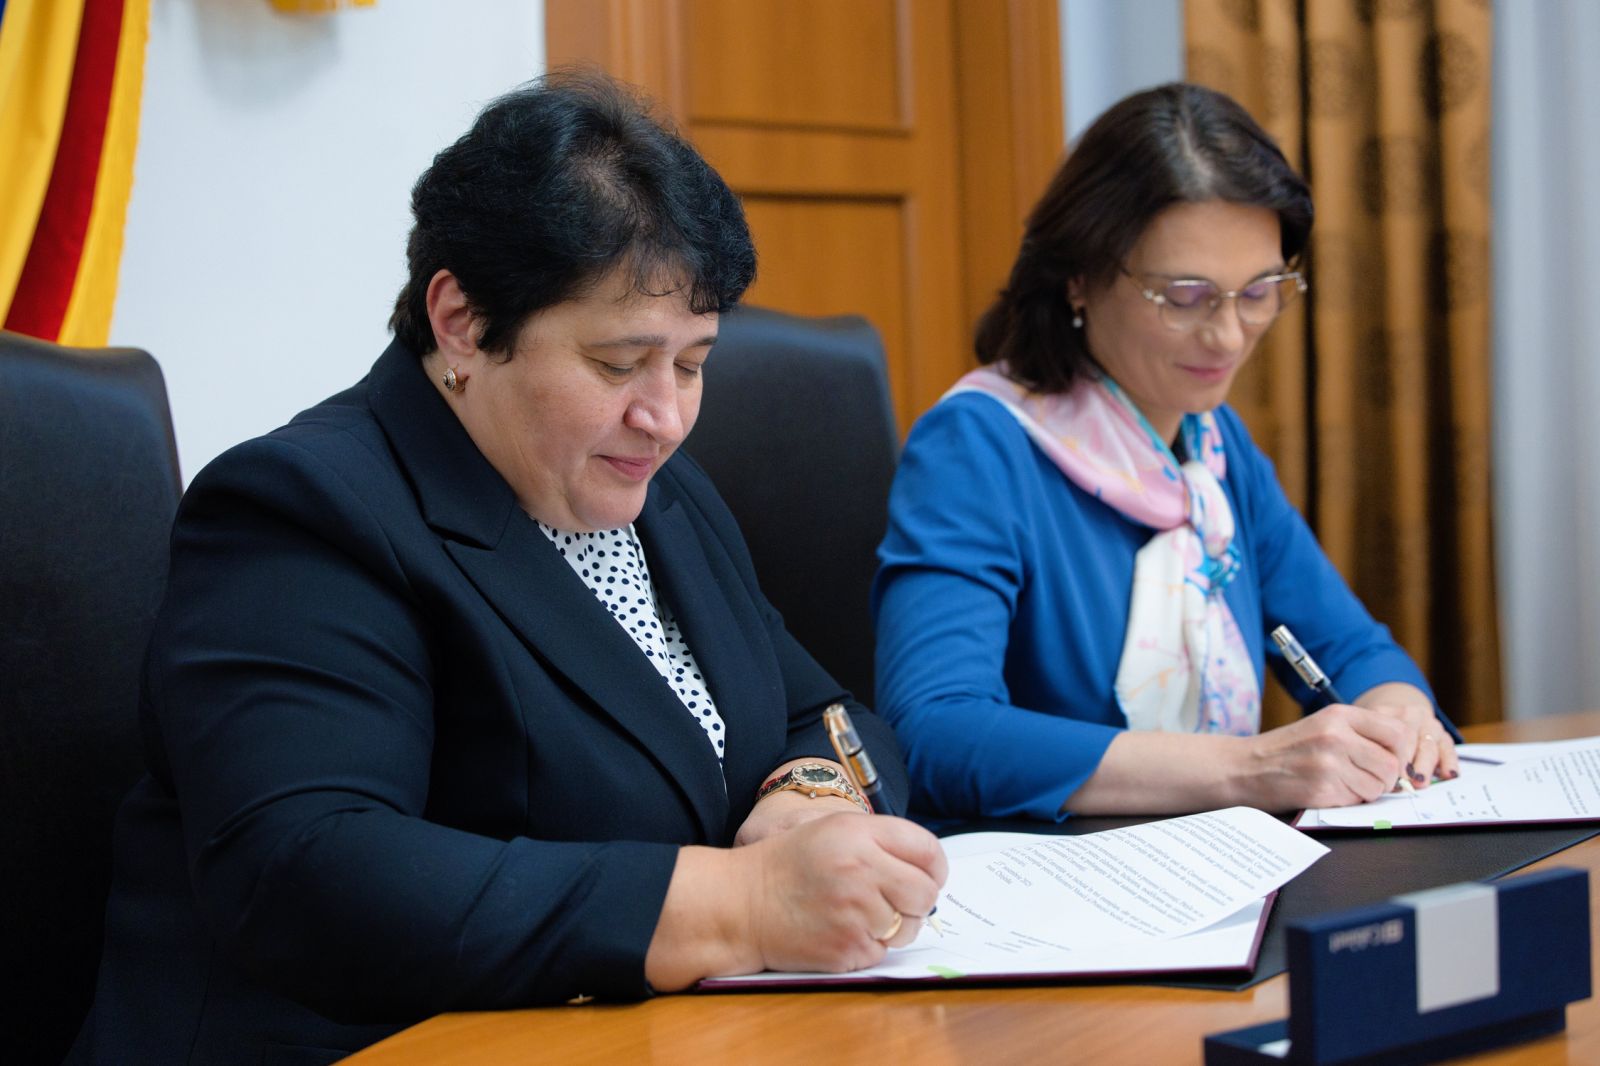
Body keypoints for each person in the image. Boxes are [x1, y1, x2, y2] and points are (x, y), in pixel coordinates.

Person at [70, 74, 945, 1064]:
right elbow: (309, 871)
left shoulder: (660, 494)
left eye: (693, 363)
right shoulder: (304, 507)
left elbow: (822, 712)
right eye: (618, 363)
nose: (665, 416)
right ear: (462, 320)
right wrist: (737, 904)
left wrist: (806, 796)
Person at [873, 82, 1461, 823]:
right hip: (1047, 867)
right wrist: (1252, 768)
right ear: (1080, 278)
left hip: (1214, 855)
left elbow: (1351, 649)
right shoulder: (977, 447)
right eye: (1185, 296)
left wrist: (1399, 715)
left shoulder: (1213, 444)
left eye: (1259, 291)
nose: (1228, 336)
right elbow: (935, 729)